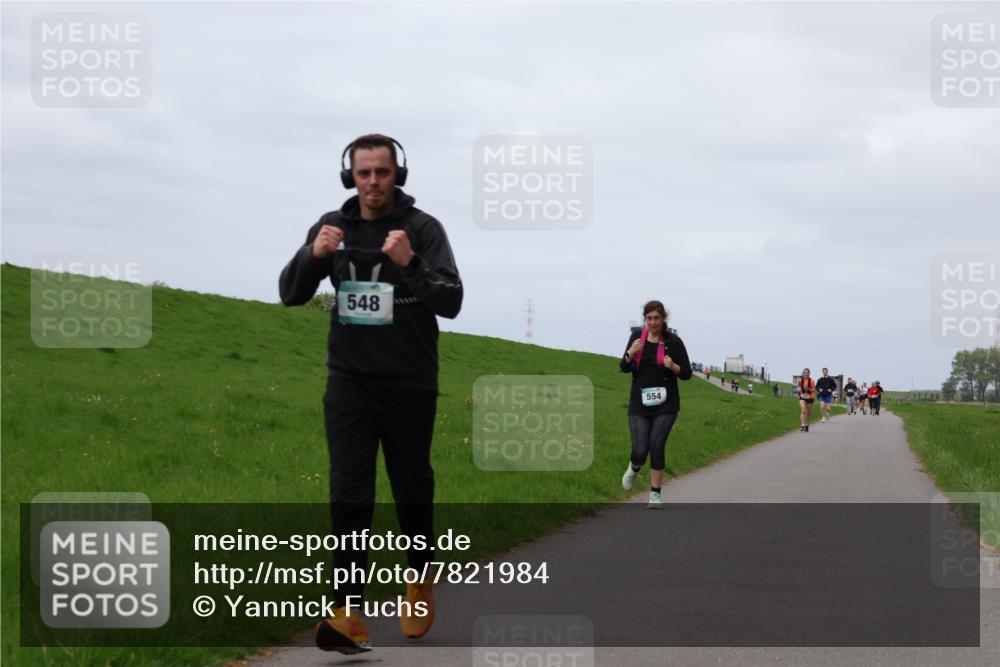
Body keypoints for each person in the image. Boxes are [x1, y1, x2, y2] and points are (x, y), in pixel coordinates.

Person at [279, 134, 463, 654]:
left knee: (410, 487)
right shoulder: (333, 227)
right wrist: (311, 256)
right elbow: (289, 293)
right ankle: (347, 612)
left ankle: (420, 576)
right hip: (349, 382)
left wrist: (411, 263)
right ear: (350, 177)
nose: (373, 183)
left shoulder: (424, 230)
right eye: (364, 174)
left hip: (409, 382)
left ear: (397, 174)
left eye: (382, 172)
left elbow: (451, 301)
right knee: (349, 492)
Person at [620, 300, 693, 509]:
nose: (653, 322)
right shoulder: (636, 338)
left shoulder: (674, 342)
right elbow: (624, 367)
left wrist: (673, 366)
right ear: (645, 319)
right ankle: (634, 468)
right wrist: (630, 354)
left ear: (663, 319)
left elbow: (687, 373)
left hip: (666, 403)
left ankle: (655, 494)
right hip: (639, 402)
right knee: (641, 449)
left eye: (657, 318)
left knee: (656, 444)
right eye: (649, 318)